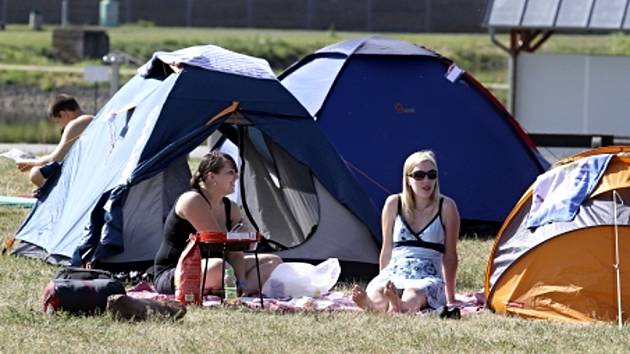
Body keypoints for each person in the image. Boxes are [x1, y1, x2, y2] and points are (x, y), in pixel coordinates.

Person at [153, 151, 283, 295]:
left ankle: (238, 291)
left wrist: (241, 280)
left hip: (219, 266)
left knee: (273, 261)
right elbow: (218, 242)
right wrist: (242, 238)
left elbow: (235, 253)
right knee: (218, 267)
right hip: (178, 270)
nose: (236, 177)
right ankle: (225, 288)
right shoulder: (192, 200)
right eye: (230, 172)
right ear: (212, 177)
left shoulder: (231, 208)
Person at [352, 150, 460, 313]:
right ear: (408, 179)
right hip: (396, 269)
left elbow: (450, 256)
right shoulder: (393, 203)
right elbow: (387, 249)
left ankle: (394, 306)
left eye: (432, 175)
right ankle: (383, 303)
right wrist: (384, 279)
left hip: (427, 275)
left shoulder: (446, 206)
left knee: (414, 293)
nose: (427, 180)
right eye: (419, 175)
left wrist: (450, 296)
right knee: (377, 291)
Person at [16, 94, 93, 188]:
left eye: (58, 121)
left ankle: (50, 197)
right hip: (93, 172)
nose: (60, 126)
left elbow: (55, 159)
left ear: (64, 114)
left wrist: (30, 162)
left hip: (88, 176)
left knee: (36, 172)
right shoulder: (92, 119)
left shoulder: (75, 124)